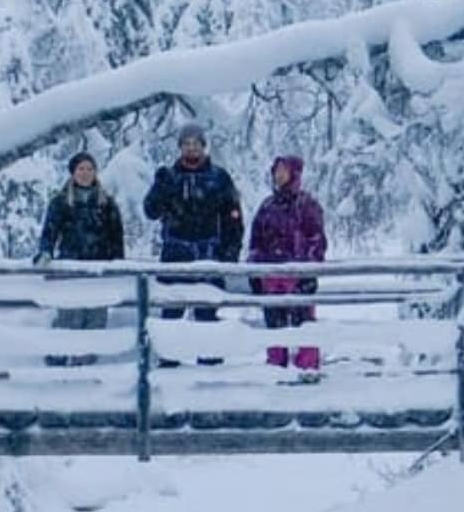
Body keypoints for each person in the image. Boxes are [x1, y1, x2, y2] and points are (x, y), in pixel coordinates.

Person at [143, 122, 244, 365]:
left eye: (195, 144)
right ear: (179, 147)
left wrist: (229, 254)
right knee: (171, 314)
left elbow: (233, 218)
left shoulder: (218, 178)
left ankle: (209, 367)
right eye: (186, 144)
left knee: (207, 315)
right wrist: (160, 187)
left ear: (203, 146)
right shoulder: (170, 177)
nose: (191, 149)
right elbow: (151, 211)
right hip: (174, 255)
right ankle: (168, 362)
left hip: (208, 255)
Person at [33, 152, 124, 365]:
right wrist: (45, 252)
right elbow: (49, 232)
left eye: (89, 169)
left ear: (95, 172)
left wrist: (118, 264)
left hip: (98, 270)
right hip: (70, 269)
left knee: (95, 319)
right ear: (73, 173)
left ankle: (86, 365)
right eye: (81, 169)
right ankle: (57, 361)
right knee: (69, 317)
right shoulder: (61, 202)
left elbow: (116, 238)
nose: (85, 173)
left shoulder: (107, 204)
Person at [248, 155, 327, 374]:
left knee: (305, 325)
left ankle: (307, 369)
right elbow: (255, 242)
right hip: (271, 276)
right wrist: (254, 271)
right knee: (275, 325)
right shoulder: (267, 206)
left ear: (295, 173)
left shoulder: (307, 205)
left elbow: (318, 241)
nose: (279, 175)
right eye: (276, 170)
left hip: (299, 274)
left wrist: (307, 269)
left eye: (284, 170)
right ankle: (276, 367)